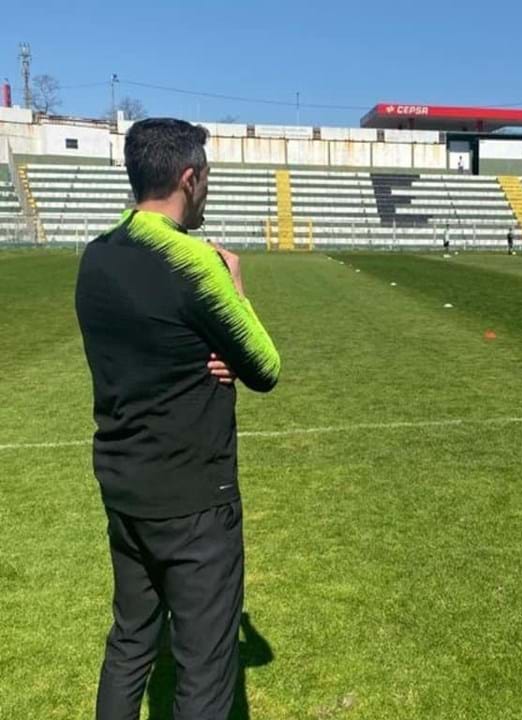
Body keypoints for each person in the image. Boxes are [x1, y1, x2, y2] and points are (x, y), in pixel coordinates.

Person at [75, 118, 281, 719]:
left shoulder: (96, 257)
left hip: (124, 487)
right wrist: (236, 288)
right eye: (207, 178)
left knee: (130, 642)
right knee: (204, 671)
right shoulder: (196, 262)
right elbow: (265, 365)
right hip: (194, 499)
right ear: (189, 178)